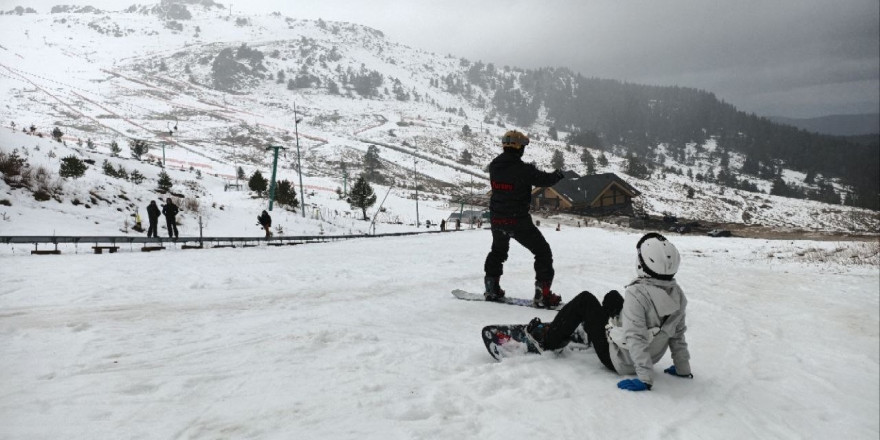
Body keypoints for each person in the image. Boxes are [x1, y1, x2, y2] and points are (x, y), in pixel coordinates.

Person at [525, 233, 692, 392]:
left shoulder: (638, 294)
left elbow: (636, 337)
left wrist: (645, 379)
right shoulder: (677, 294)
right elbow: (677, 334)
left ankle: (547, 340)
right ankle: (591, 329)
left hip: (618, 359)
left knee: (585, 300)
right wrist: (682, 368)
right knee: (612, 297)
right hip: (650, 355)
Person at [483, 129, 565, 308]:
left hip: (497, 218)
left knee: (498, 252)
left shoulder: (494, 166)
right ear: (519, 147)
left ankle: (491, 288)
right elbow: (544, 179)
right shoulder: (524, 169)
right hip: (517, 220)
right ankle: (543, 295)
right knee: (542, 252)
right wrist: (558, 174)